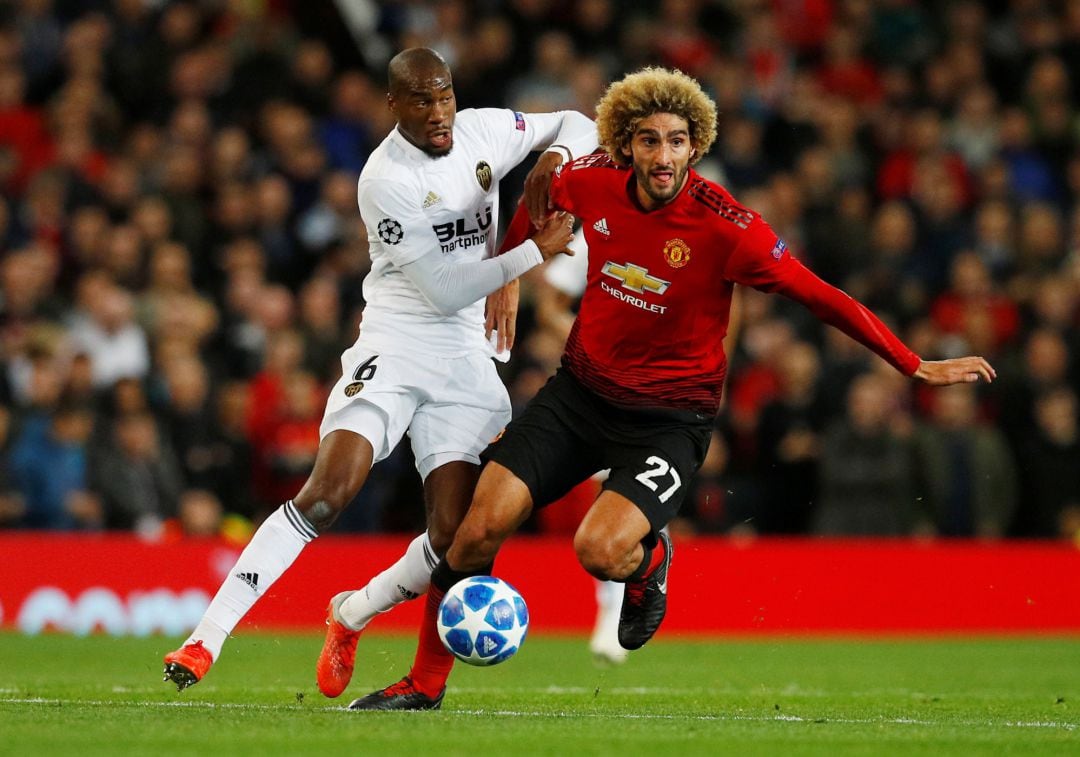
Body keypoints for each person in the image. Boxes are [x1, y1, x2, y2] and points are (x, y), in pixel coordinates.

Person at [347, 67, 997, 711]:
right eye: (651, 140)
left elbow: (819, 295)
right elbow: (540, 194)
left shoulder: (727, 226)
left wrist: (913, 364)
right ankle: (423, 686)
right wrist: (510, 269)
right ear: (627, 143)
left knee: (599, 550)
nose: (664, 155)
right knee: (475, 527)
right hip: (578, 395)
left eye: (678, 141)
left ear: (697, 145)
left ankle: (649, 559)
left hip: (668, 419)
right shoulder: (592, 180)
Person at [162, 47, 595, 692]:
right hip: (395, 340)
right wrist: (528, 253)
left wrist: (555, 161)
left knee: (458, 536)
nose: (439, 111)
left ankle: (351, 612)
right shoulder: (383, 181)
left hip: (468, 353)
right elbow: (445, 289)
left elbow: (575, 122)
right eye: (422, 100)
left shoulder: (483, 129)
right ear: (392, 106)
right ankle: (205, 640)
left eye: (445, 94)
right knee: (329, 492)